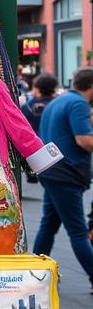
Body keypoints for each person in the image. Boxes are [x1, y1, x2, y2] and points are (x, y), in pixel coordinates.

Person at [33, 67, 93, 293]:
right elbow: (84, 140)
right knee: (78, 231)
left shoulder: (58, 101)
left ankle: (36, 273)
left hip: (52, 170)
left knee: (48, 225)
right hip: (68, 173)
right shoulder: (78, 104)